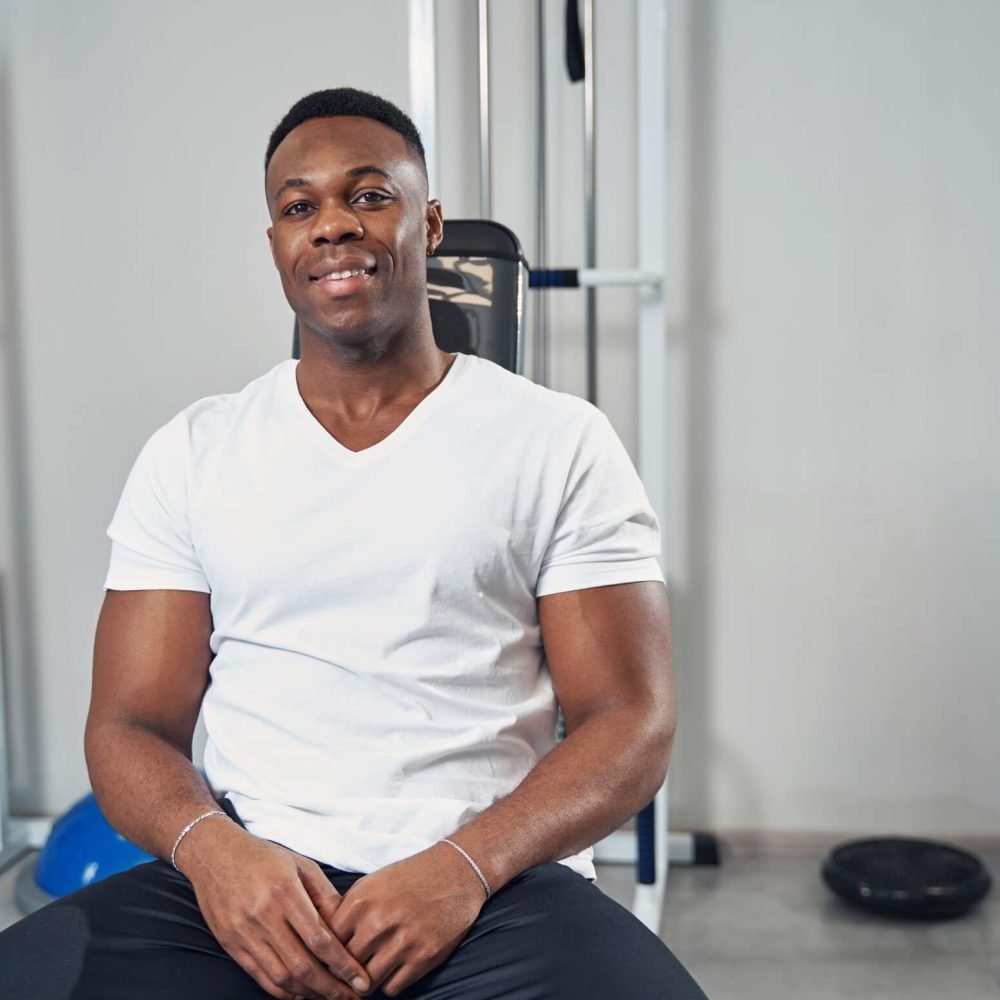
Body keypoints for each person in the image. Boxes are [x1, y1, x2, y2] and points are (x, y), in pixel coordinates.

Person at [0, 88, 709, 1000]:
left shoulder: (556, 441)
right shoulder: (195, 450)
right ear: (277, 247)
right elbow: (128, 726)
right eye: (300, 207)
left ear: (432, 223)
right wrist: (215, 856)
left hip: (492, 890)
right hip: (250, 888)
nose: (333, 224)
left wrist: (464, 866)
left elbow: (630, 720)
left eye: (370, 195)